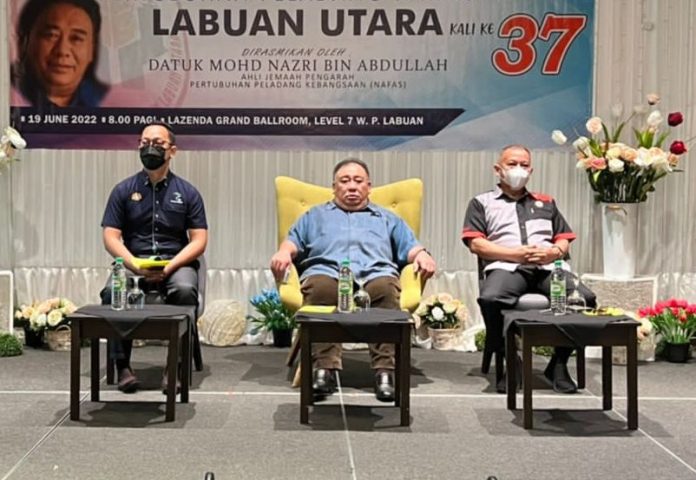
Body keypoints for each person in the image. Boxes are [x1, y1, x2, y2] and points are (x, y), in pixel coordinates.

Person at [270, 158, 436, 402]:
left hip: (375, 274)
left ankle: (385, 372)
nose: (351, 186)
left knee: (386, 288)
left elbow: (410, 247)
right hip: (328, 272)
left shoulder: (387, 218)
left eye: (358, 181)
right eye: (344, 181)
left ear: (369, 186)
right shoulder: (314, 215)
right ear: (334, 187)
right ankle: (324, 369)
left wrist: (422, 255)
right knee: (321, 288)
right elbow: (292, 241)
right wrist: (284, 252)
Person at [461, 145, 596, 394]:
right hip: (507, 267)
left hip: (547, 268)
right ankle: (510, 360)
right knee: (491, 299)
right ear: (498, 169)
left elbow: (564, 238)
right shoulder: (482, 202)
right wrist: (515, 254)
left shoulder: (546, 202)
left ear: (531, 171)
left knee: (585, 299)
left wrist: (553, 252)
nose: (518, 170)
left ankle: (558, 364)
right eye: (512, 164)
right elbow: (476, 244)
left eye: (524, 165)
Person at [100, 121, 208, 393]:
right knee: (113, 291)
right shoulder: (123, 190)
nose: (150, 148)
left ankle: (176, 366)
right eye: (145, 142)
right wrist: (135, 265)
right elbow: (110, 237)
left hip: (175, 262)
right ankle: (122, 366)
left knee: (184, 289)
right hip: (134, 261)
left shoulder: (188, 192)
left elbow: (199, 240)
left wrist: (170, 267)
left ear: (172, 151)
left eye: (158, 143)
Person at [11, 0, 108, 108]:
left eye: (76, 38)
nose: (62, 51)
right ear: (24, 43)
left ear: (92, 50)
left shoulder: (110, 101)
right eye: (51, 35)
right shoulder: (7, 93)